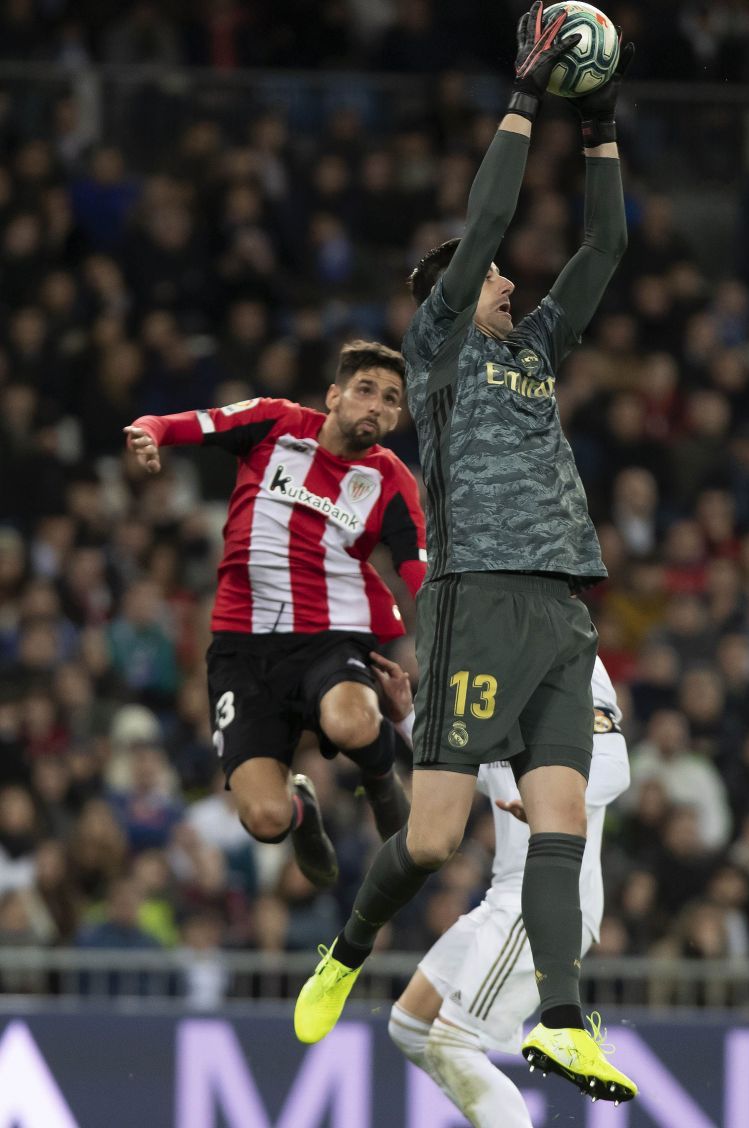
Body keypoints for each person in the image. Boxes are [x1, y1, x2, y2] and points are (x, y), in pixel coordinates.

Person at [294, 3, 637, 1104]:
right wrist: (527, 96)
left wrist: (602, 126)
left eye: (494, 275)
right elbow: (488, 220)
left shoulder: (535, 349)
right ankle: (347, 949)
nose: (503, 279)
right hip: (475, 596)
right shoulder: (437, 349)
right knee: (436, 836)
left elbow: (606, 246)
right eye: (484, 273)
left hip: (560, 606)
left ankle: (565, 1023)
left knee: (562, 818)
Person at [123, 340, 426, 888]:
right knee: (265, 820)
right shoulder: (275, 423)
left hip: (331, 636)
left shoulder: (391, 478)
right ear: (333, 396)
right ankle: (301, 811)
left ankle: (381, 777)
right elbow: (193, 423)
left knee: (352, 721)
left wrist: (454, 623)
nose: (377, 405)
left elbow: (417, 570)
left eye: (390, 399)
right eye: (365, 390)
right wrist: (150, 431)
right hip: (243, 649)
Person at [380, 653, 631, 1128]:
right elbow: (473, 766)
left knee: (453, 1043)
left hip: (545, 901)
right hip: (504, 896)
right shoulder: (482, 665)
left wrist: (552, 807)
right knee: (411, 1027)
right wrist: (406, 717)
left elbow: (615, 768)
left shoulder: (571, 655)